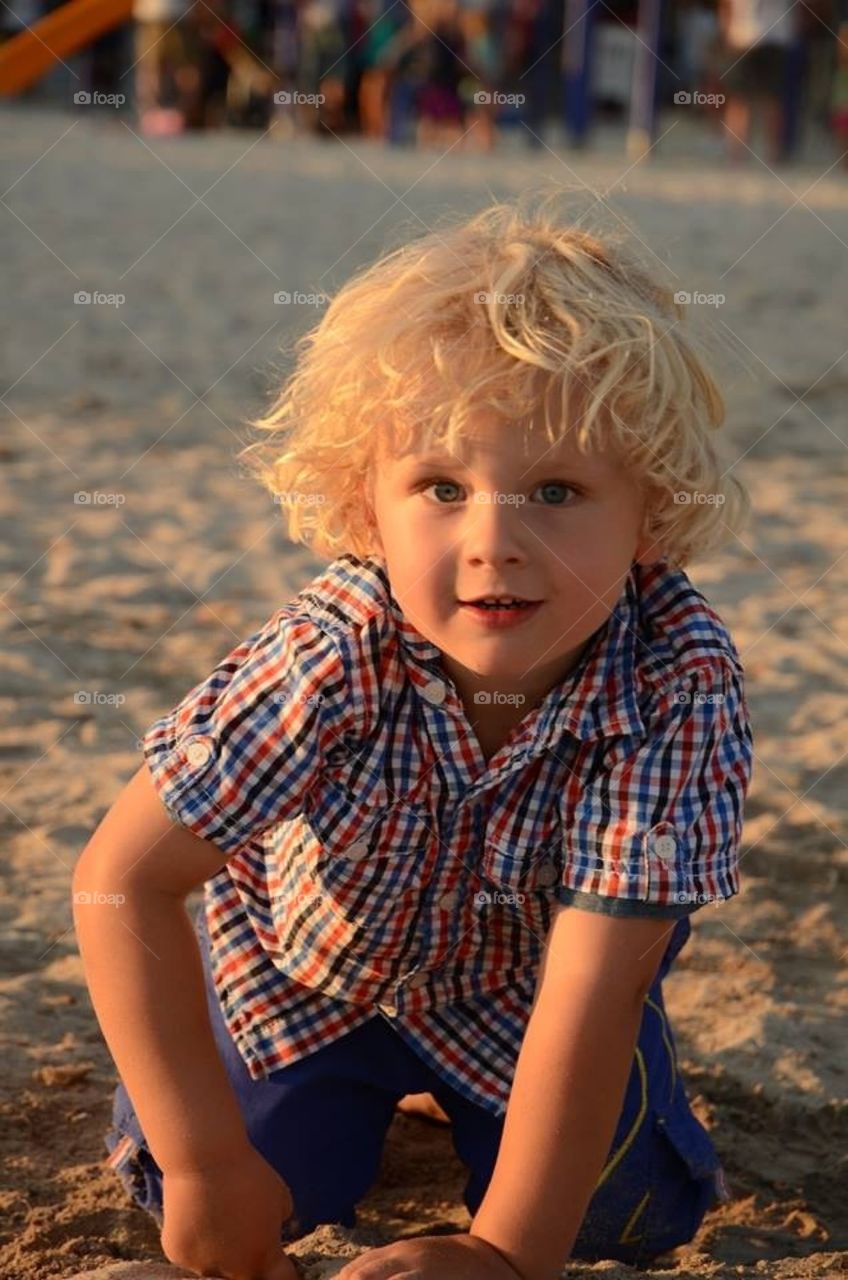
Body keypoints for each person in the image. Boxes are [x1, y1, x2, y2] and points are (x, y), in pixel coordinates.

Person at [73, 190, 754, 1280]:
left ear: (651, 516)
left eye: (555, 489)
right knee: (238, 1193)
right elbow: (121, 876)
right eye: (441, 486)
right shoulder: (332, 649)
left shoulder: (676, 677)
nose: (493, 540)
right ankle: (324, 1104)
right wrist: (203, 1162)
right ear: (365, 507)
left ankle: (465, 1102)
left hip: (524, 994)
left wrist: (504, 1256)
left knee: (622, 1213)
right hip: (302, 979)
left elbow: (594, 987)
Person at [717, 0, 799, 163]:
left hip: (761, 37)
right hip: (754, 37)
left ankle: (749, 155)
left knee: (757, 100)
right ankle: (748, 154)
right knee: (755, 100)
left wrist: (726, 29)